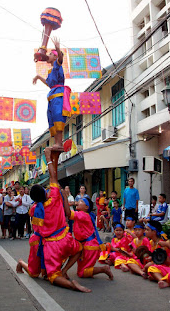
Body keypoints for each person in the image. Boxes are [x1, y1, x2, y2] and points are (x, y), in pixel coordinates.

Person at [16, 147, 91, 293]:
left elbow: (37, 231)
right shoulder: (55, 198)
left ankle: (66, 282)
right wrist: (48, 157)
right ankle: (64, 270)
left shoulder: (34, 209)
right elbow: (53, 176)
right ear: (45, 192)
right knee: (78, 249)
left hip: (50, 245)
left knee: (46, 275)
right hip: (65, 239)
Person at [33, 38, 70, 151]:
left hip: (58, 95)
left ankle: (59, 143)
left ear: (55, 57)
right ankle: (56, 142)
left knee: (58, 115)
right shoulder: (51, 71)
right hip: (52, 95)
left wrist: (58, 49)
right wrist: (39, 77)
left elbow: (61, 58)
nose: (48, 56)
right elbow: (49, 83)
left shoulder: (57, 65)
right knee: (52, 118)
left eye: (50, 54)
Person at [64, 194, 113, 280]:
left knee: (82, 272)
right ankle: (64, 271)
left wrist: (64, 198)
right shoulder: (82, 214)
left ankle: (104, 269)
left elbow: (68, 213)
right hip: (86, 244)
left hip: (89, 246)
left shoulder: (83, 215)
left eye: (81, 201)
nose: (78, 202)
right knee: (81, 271)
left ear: (86, 207)